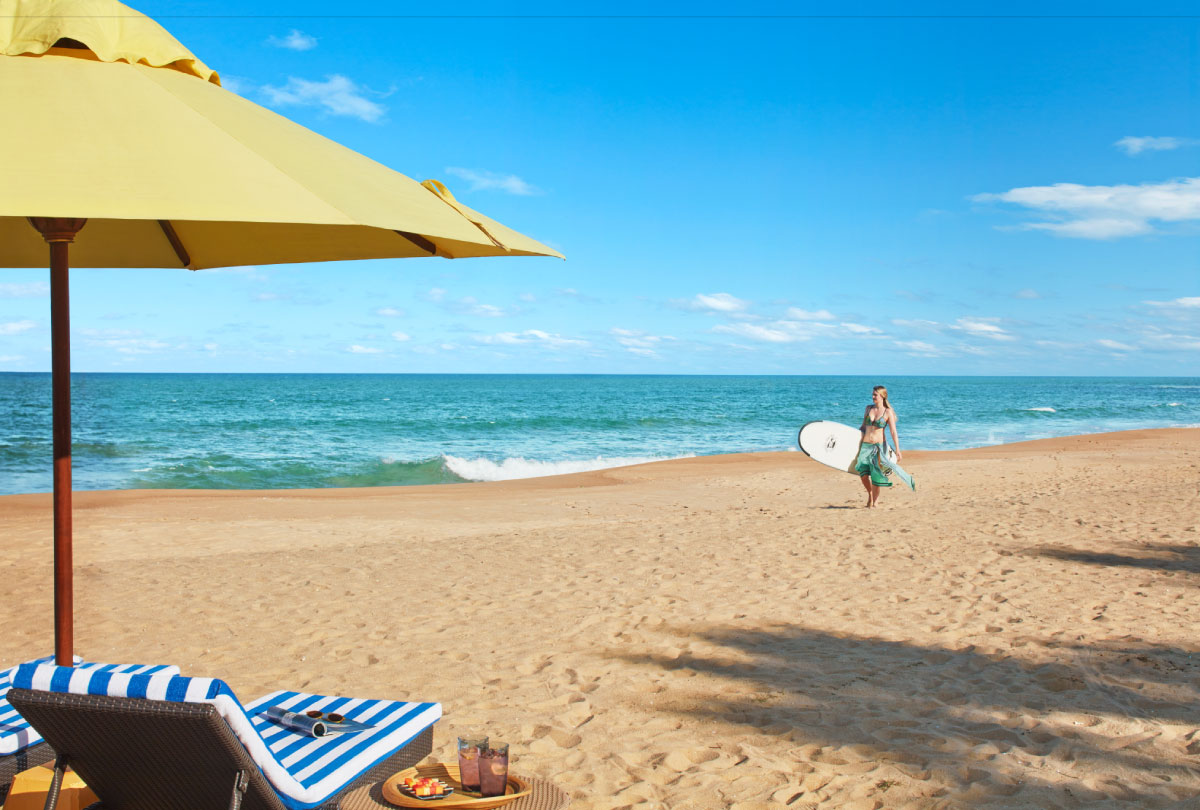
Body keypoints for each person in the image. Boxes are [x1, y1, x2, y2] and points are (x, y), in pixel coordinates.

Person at [856, 385, 901, 508]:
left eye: (875, 394)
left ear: (882, 396)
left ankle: (875, 502)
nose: (873, 396)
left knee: (876, 475)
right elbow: (863, 427)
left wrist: (897, 450)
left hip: (879, 447)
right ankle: (870, 494)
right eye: (873, 394)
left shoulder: (887, 412)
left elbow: (893, 432)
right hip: (865, 446)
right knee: (863, 474)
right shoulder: (868, 408)